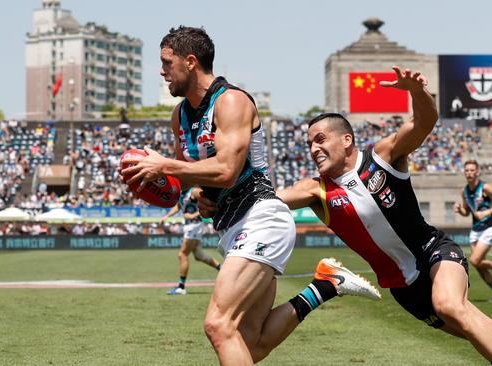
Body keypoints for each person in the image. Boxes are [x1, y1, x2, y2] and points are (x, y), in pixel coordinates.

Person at [274, 66, 492, 365]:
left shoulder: (382, 156)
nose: (313, 149)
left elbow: (424, 122)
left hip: (434, 252)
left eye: (320, 139)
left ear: (346, 140)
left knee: (450, 305)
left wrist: (417, 92)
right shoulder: (315, 190)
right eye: (309, 143)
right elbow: (270, 202)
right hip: (405, 289)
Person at [121, 26, 380, 365]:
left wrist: (164, 165)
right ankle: (325, 286)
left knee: (218, 324)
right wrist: (186, 188)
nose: (161, 71)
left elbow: (227, 169)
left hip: (261, 217)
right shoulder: (179, 115)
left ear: (190, 61)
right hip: (231, 228)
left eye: (167, 63)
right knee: (250, 344)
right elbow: (185, 176)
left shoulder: (231, 101)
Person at [453, 160, 492, 302]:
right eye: (467, 170)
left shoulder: (485, 188)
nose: (469, 173)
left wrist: (487, 212)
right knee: (477, 264)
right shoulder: (464, 191)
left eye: (472, 170)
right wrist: (460, 209)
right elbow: (467, 212)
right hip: (475, 230)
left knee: (475, 260)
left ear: (477, 172)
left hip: (488, 228)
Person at [160, 187, 221, 295]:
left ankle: (181, 287)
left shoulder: (194, 191)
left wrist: (195, 214)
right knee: (199, 255)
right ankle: (222, 269)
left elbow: (211, 203)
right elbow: (178, 206)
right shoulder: (182, 194)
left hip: (195, 226)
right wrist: (167, 216)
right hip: (190, 226)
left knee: (182, 254)